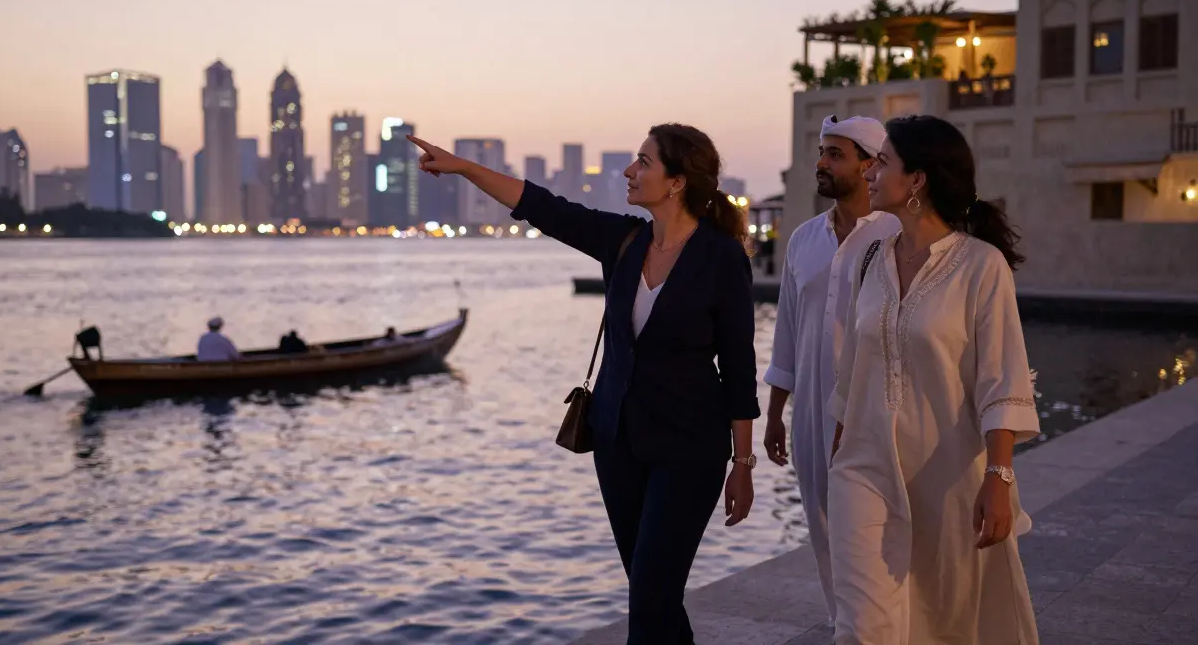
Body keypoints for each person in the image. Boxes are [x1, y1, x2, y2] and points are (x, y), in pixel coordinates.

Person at [408, 125, 759, 644]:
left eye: (643, 162)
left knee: (652, 594)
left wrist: (743, 464)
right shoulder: (623, 240)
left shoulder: (720, 257)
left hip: (688, 450)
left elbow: (738, 366)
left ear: (678, 181)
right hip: (617, 443)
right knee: (650, 592)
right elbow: (541, 205)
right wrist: (463, 167)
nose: (629, 171)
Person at [828, 115, 1040, 644]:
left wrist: (999, 476)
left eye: (884, 162)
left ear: (917, 179)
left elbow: (1002, 378)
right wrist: (839, 444)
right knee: (861, 628)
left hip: (947, 475)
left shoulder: (981, 268)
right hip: (864, 467)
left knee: (944, 625)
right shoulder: (872, 260)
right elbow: (853, 365)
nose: (871, 171)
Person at [763, 115, 900, 625]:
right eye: (821, 152)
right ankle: (845, 627)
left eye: (834, 155)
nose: (820, 164)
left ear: (869, 165)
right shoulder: (802, 239)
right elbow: (788, 332)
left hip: (873, 416)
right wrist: (776, 413)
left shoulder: (895, 236)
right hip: (809, 417)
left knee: (872, 532)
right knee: (821, 531)